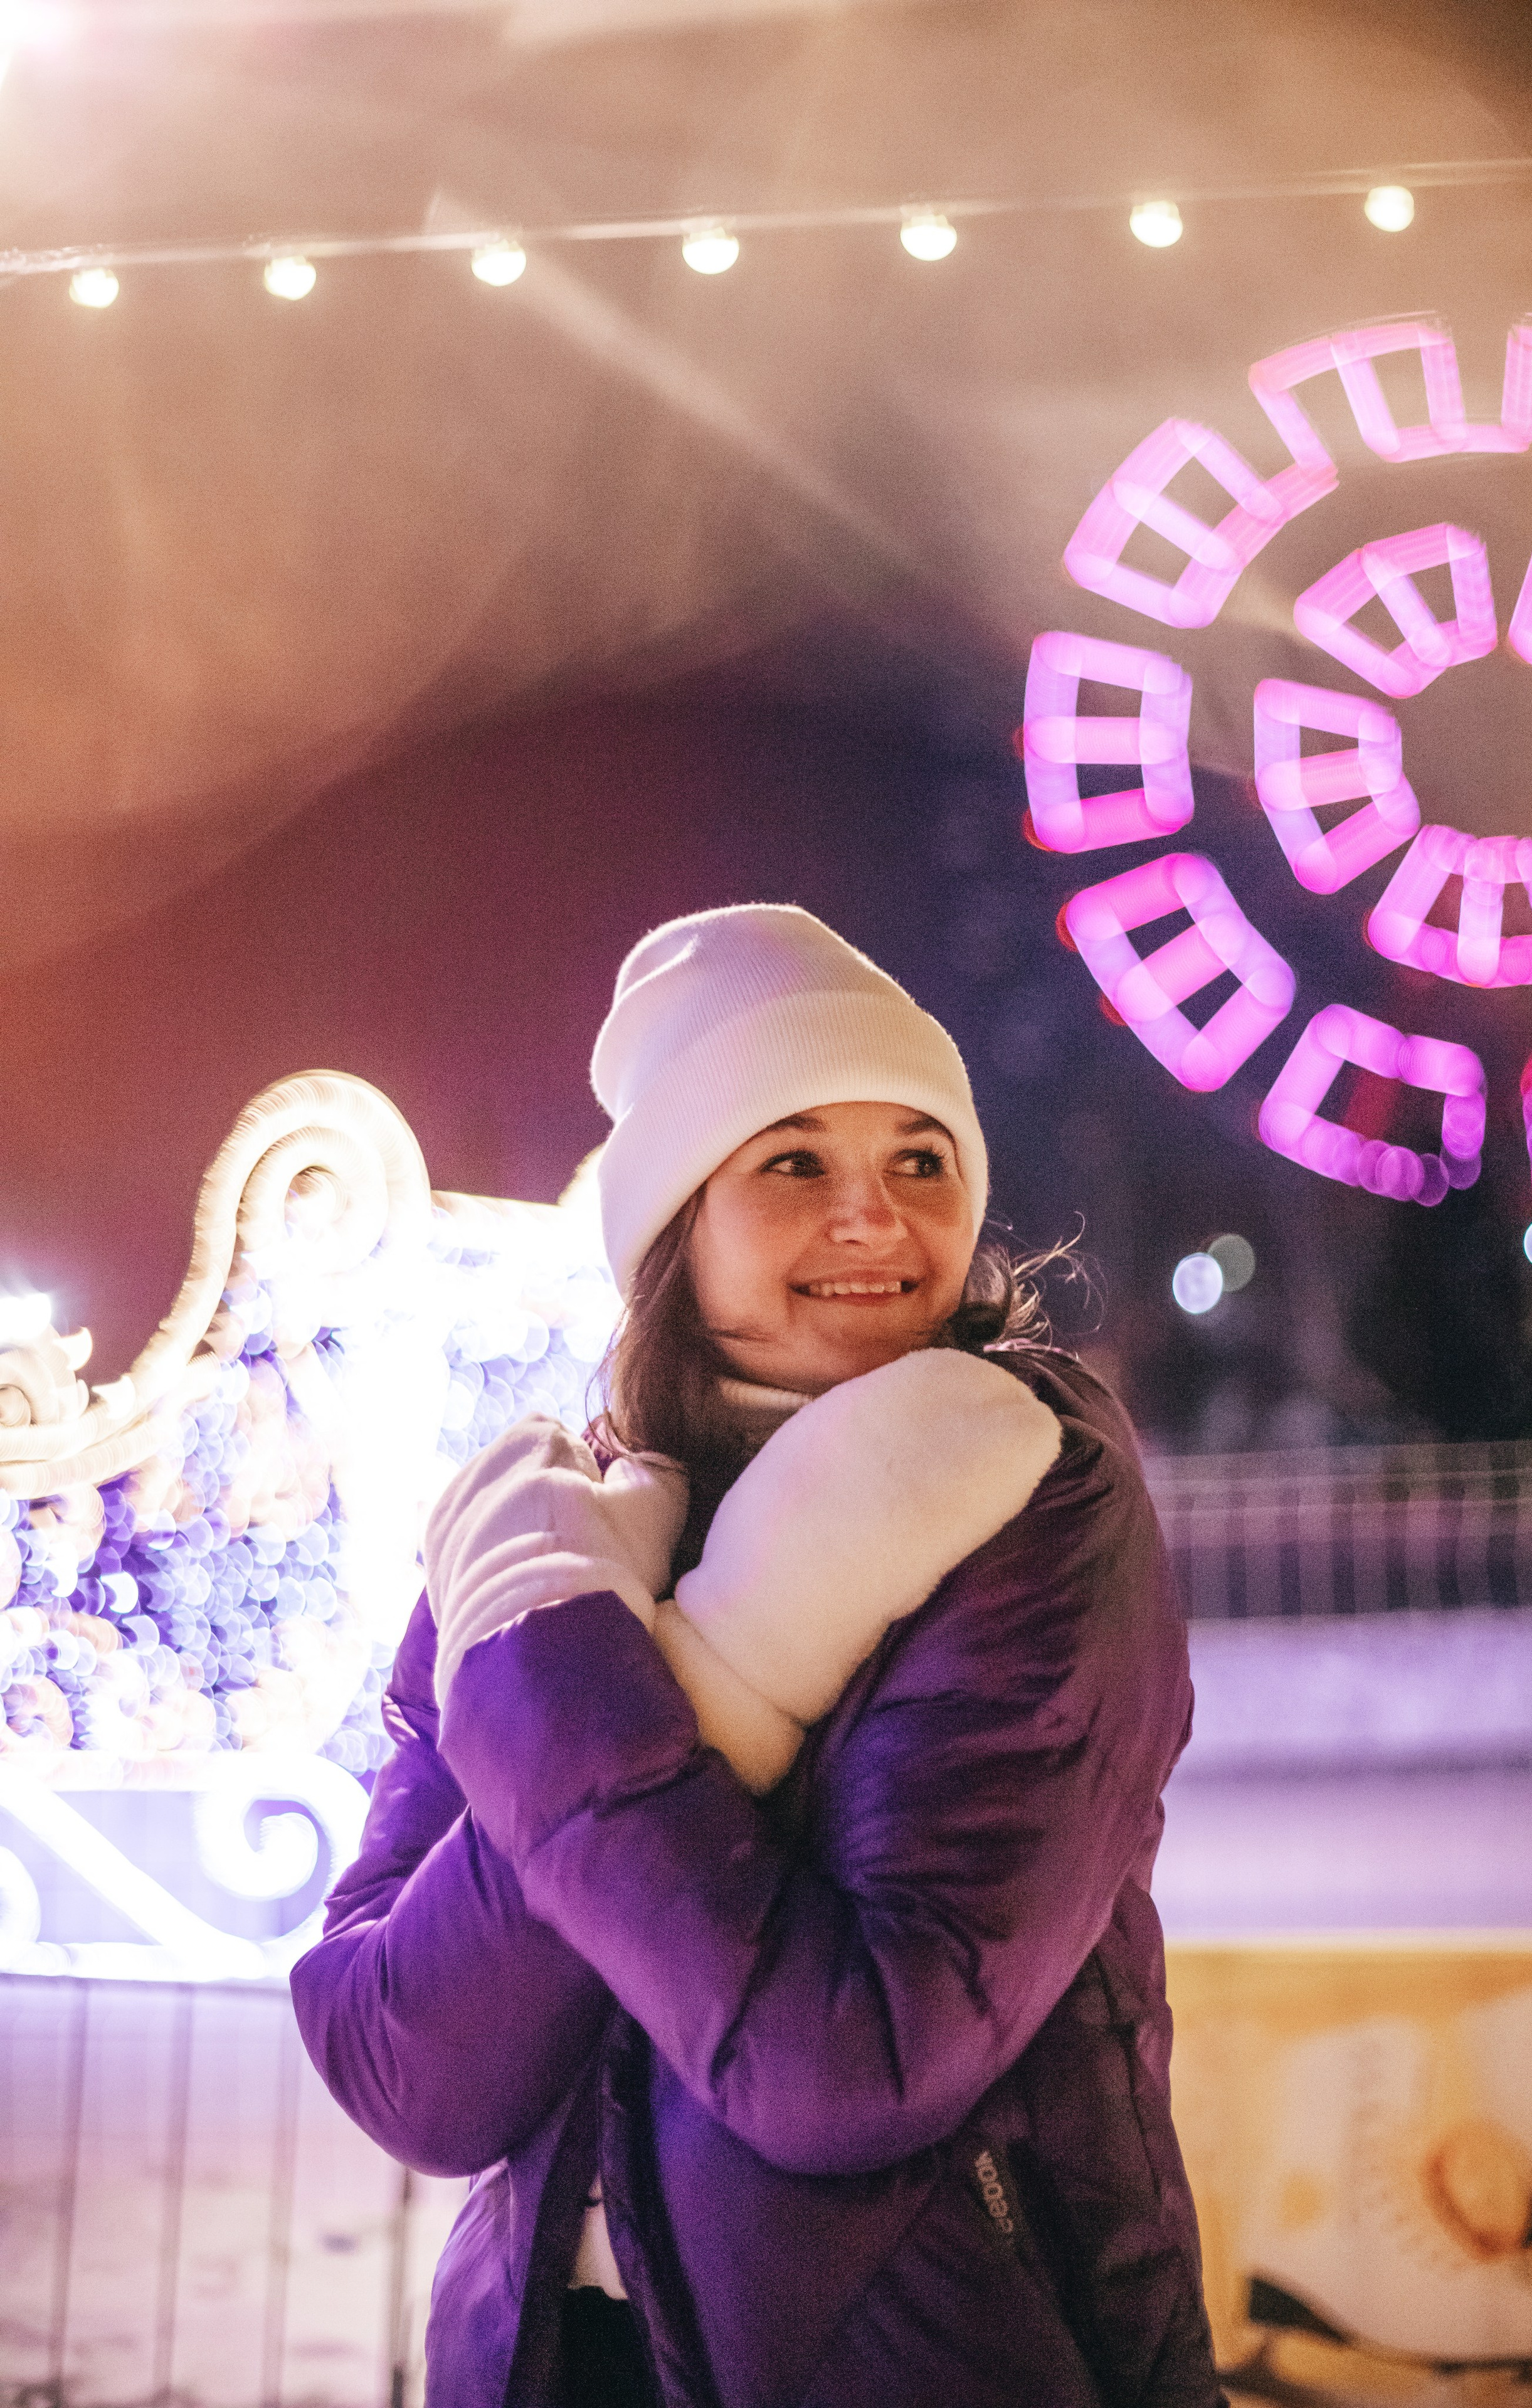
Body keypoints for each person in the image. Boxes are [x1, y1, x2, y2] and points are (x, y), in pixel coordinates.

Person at [291, 904, 1224, 2408]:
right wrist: (572, 1642)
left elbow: (847, 2071)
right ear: (673, 1223)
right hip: (548, 2362)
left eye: (917, 1160)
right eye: (792, 1161)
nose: (872, 1216)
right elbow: (409, 2071)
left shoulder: (1024, 1490)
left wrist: (561, 1692)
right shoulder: (550, 1547)